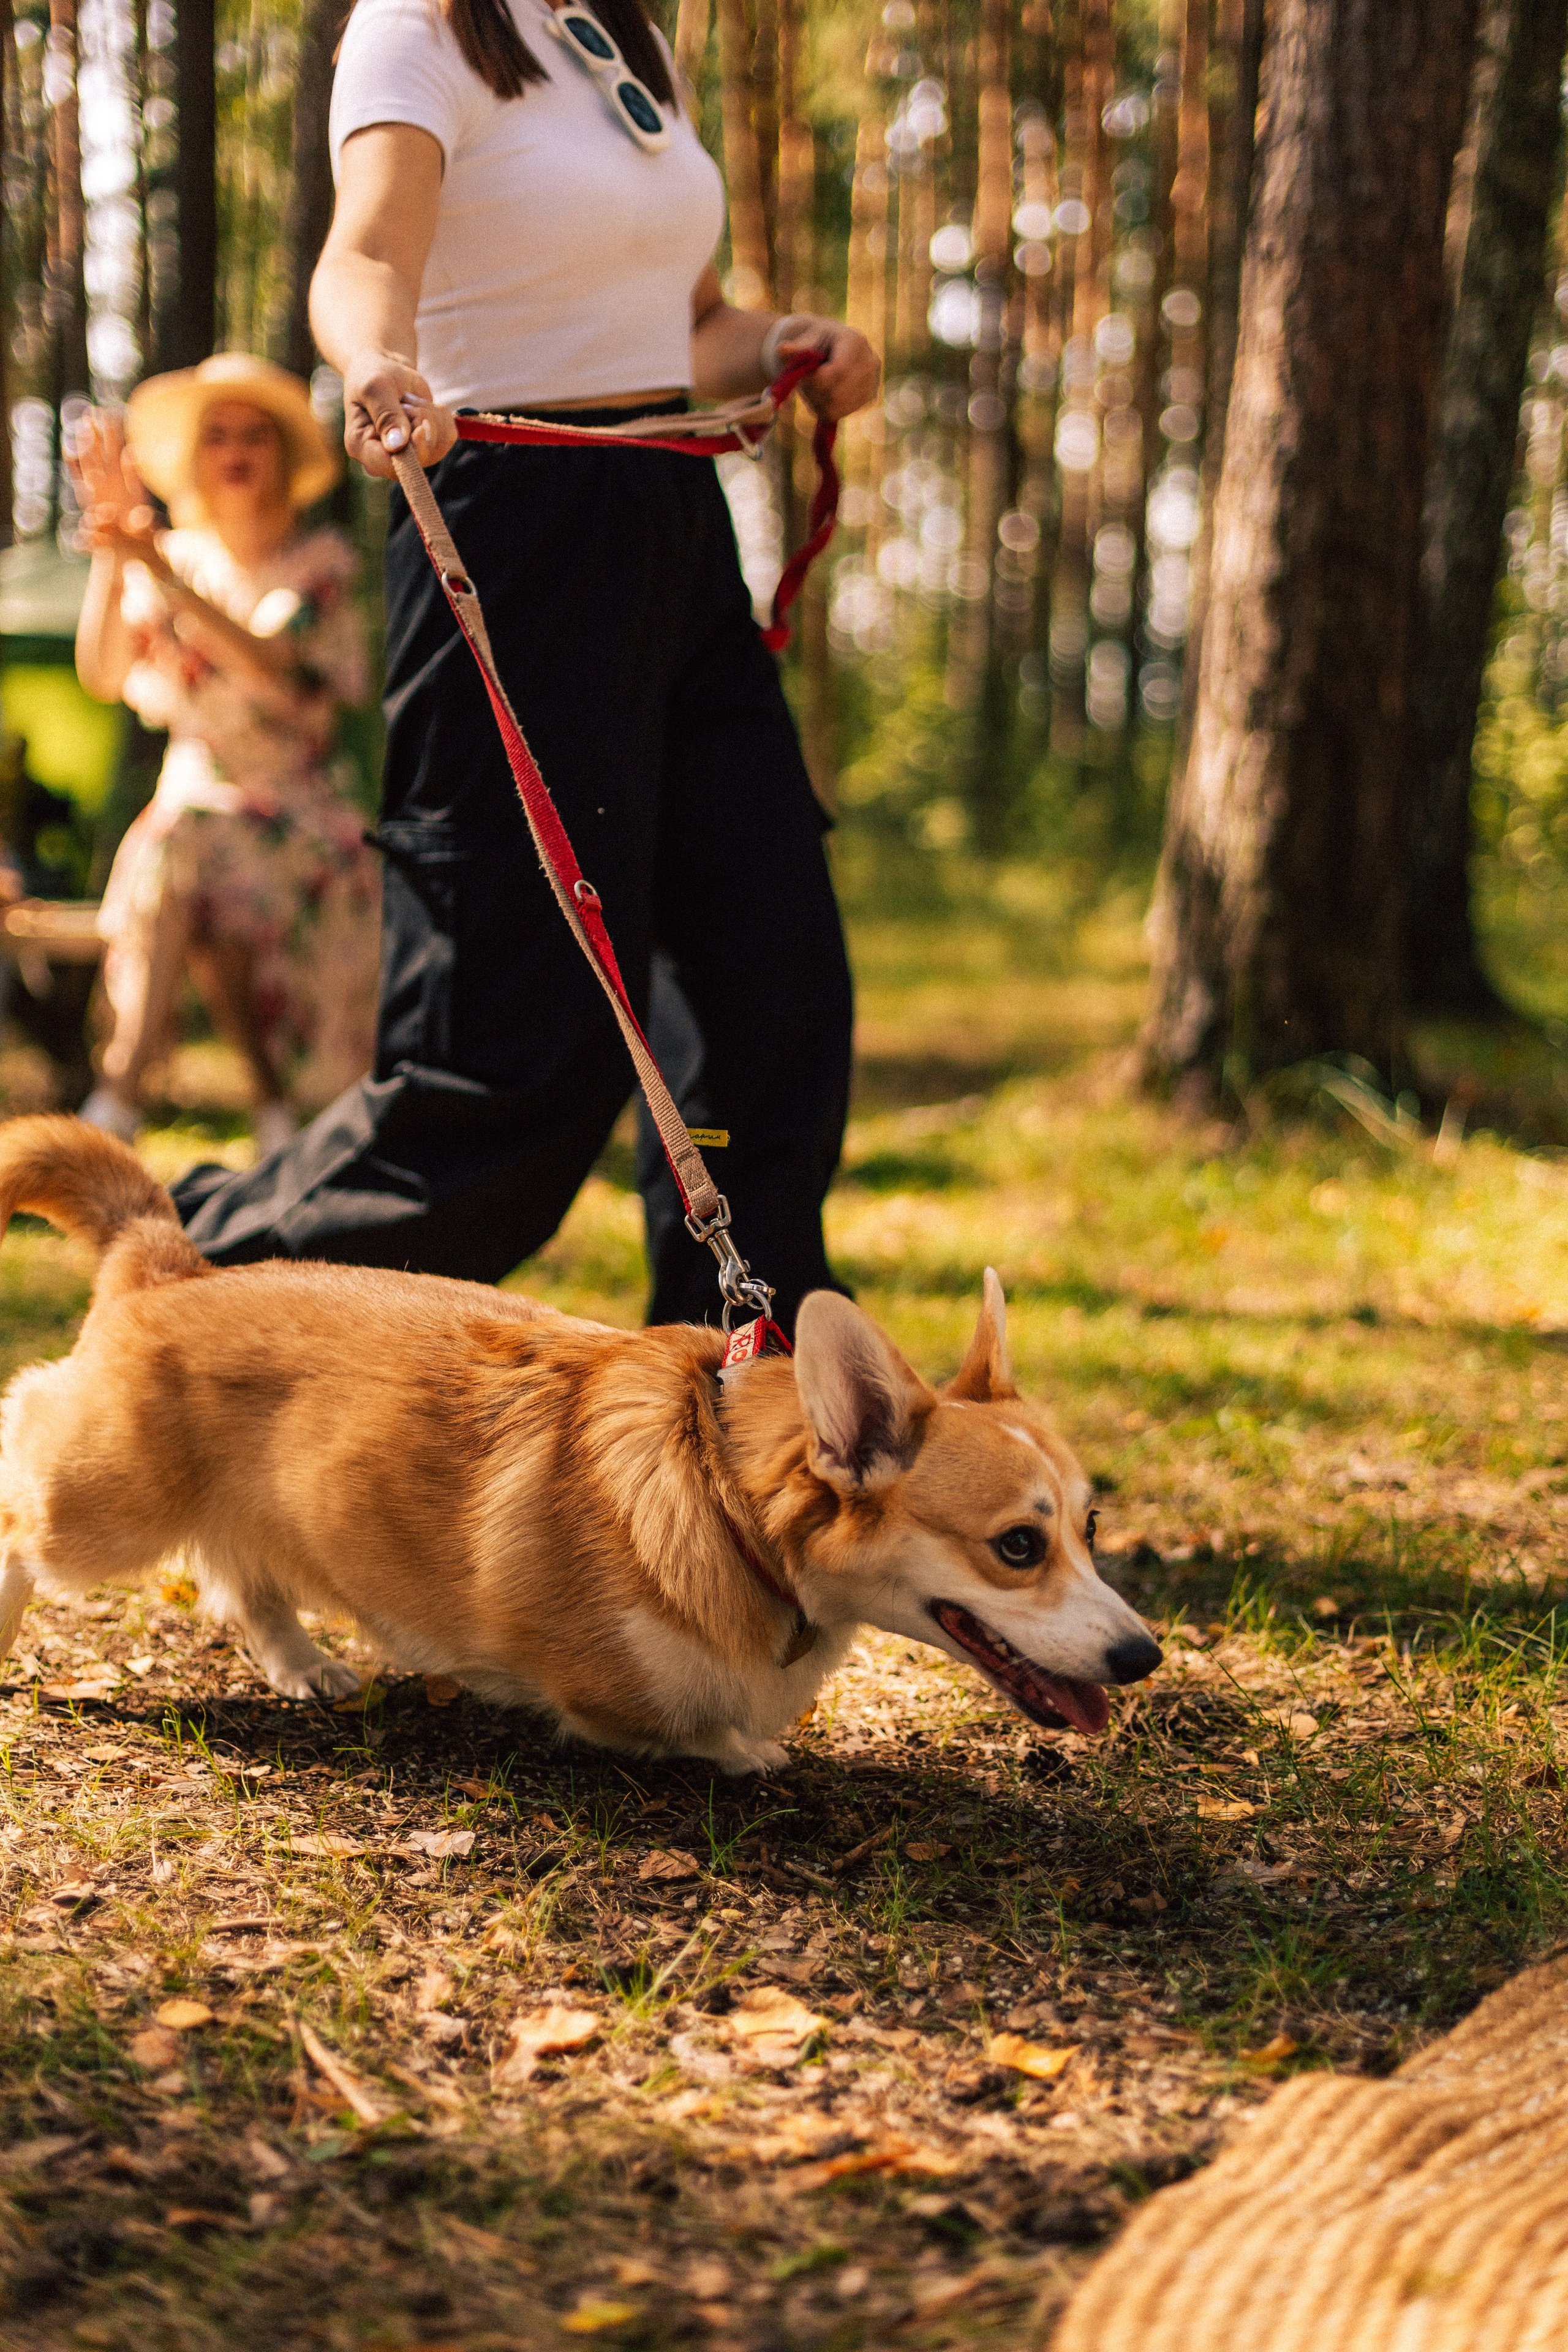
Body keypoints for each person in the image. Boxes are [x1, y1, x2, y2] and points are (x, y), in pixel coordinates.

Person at [167, 0, 879, 1332]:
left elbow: (688, 327)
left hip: (670, 532)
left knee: (767, 993)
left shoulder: (623, 39)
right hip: (499, 526)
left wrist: (788, 345)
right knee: (504, 1070)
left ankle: (744, 1393)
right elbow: (363, 253)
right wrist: (378, 363)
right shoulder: (415, 30)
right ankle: (201, 1285)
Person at [72, 355, 380, 1153]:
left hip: (299, 810)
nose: (236, 451)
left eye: (255, 435)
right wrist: (114, 553)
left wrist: (154, 569)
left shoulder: (322, 562)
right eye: (217, 436)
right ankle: (247, 1109)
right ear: (195, 459)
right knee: (185, 842)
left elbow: (267, 659)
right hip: (197, 803)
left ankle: (121, 1095)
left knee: (183, 847)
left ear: (284, 454)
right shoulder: (166, 554)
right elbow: (103, 675)